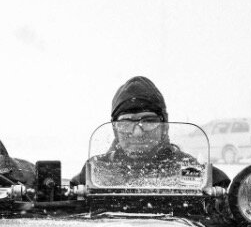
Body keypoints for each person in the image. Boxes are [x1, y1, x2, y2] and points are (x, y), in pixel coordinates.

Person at [71, 76, 230, 188]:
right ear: (115, 129)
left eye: (148, 121)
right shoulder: (97, 171)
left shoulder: (187, 170)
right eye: (126, 123)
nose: (137, 132)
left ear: (164, 126)